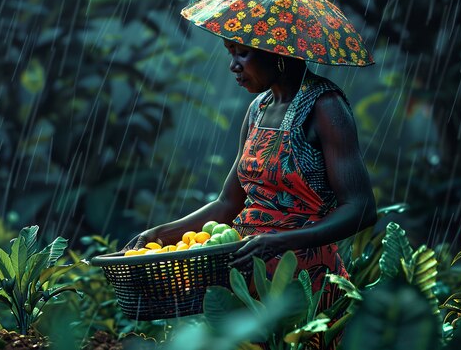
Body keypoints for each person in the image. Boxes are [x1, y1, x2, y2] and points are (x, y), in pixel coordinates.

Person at [123, 39, 377, 347]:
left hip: (304, 284)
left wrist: (280, 241)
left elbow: (360, 208)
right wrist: (160, 233)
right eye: (231, 54)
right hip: (247, 277)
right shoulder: (259, 108)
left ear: (278, 52)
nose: (234, 66)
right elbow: (228, 202)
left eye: (243, 54)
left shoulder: (325, 106)